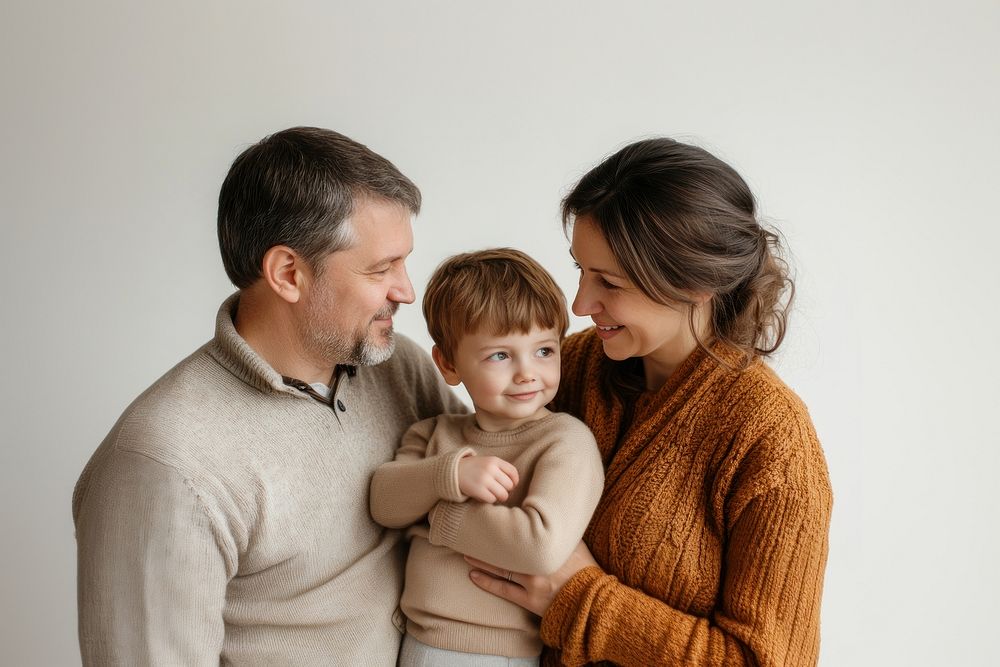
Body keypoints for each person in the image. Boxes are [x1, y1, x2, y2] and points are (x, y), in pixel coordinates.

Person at [72, 126, 466, 665]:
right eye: (381, 269)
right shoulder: (164, 465)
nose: (406, 290)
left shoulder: (399, 366)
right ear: (288, 273)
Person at [466, 138, 834, 666]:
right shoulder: (570, 369)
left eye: (609, 283)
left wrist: (579, 599)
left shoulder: (771, 438)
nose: (580, 303)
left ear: (695, 284)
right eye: (580, 269)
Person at [369, 248, 605, 666]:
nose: (527, 372)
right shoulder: (434, 434)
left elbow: (540, 547)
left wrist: (438, 515)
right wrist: (451, 475)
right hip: (414, 643)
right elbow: (384, 503)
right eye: (500, 355)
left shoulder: (565, 441)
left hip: (497, 653)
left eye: (544, 351)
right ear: (447, 364)